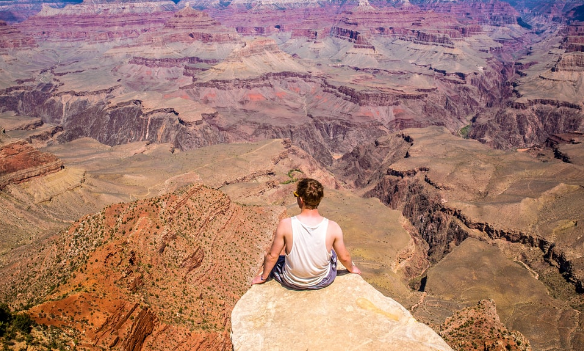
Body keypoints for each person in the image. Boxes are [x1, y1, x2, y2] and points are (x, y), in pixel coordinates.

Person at [252, 178, 361, 289]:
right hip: (322, 281)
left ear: (301, 199)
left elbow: (272, 256)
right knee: (332, 254)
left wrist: (263, 277)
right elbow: (344, 257)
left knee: (280, 259)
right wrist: (352, 269)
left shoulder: (285, 224)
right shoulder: (333, 227)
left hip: (291, 281)